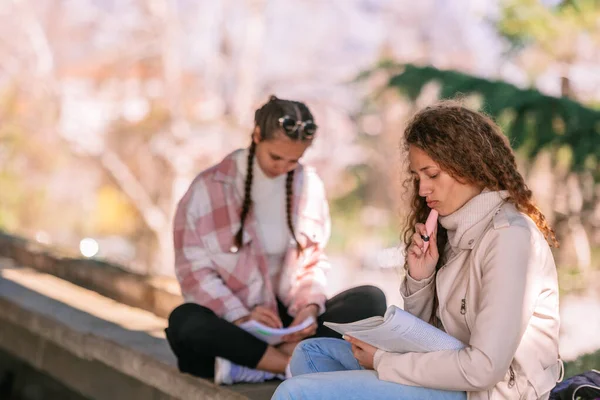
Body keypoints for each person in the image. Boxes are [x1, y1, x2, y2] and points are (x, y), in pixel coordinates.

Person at [272, 102, 562, 400]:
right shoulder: (453, 233)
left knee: (295, 393)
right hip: (454, 378)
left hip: (490, 393)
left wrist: (384, 361)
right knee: (313, 352)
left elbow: (484, 369)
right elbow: (429, 339)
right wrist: (421, 280)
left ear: (470, 166)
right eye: (418, 177)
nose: (423, 189)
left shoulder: (510, 238)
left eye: (432, 175)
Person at [165, 95, 387, 385]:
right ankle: (288, 365)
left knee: (370, 300)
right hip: (233, 323)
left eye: (294, 160)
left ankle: (256, 364)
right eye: (275, 157)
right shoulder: (207, 188)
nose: (283, 167)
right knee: (185, 321)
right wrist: (242, 317)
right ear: (257, 136)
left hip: (286, 324)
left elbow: (312, 261)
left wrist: (307, 310)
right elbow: (193, 272)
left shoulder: (309, 185)